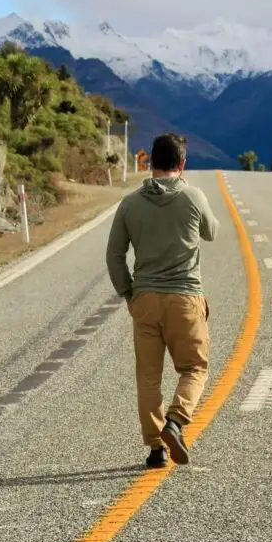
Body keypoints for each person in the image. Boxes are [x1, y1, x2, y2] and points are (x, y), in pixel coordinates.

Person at [106, 133, 219, 469]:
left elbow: (114, 256)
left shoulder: (129, 203)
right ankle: (176, 421)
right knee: (194, 368)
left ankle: (156, 449)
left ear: (150, 162)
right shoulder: (193, 196)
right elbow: (211, 232)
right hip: (185, 297)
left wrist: (129, 293)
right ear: (182, 164)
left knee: (149, 377)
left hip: (145, 299)